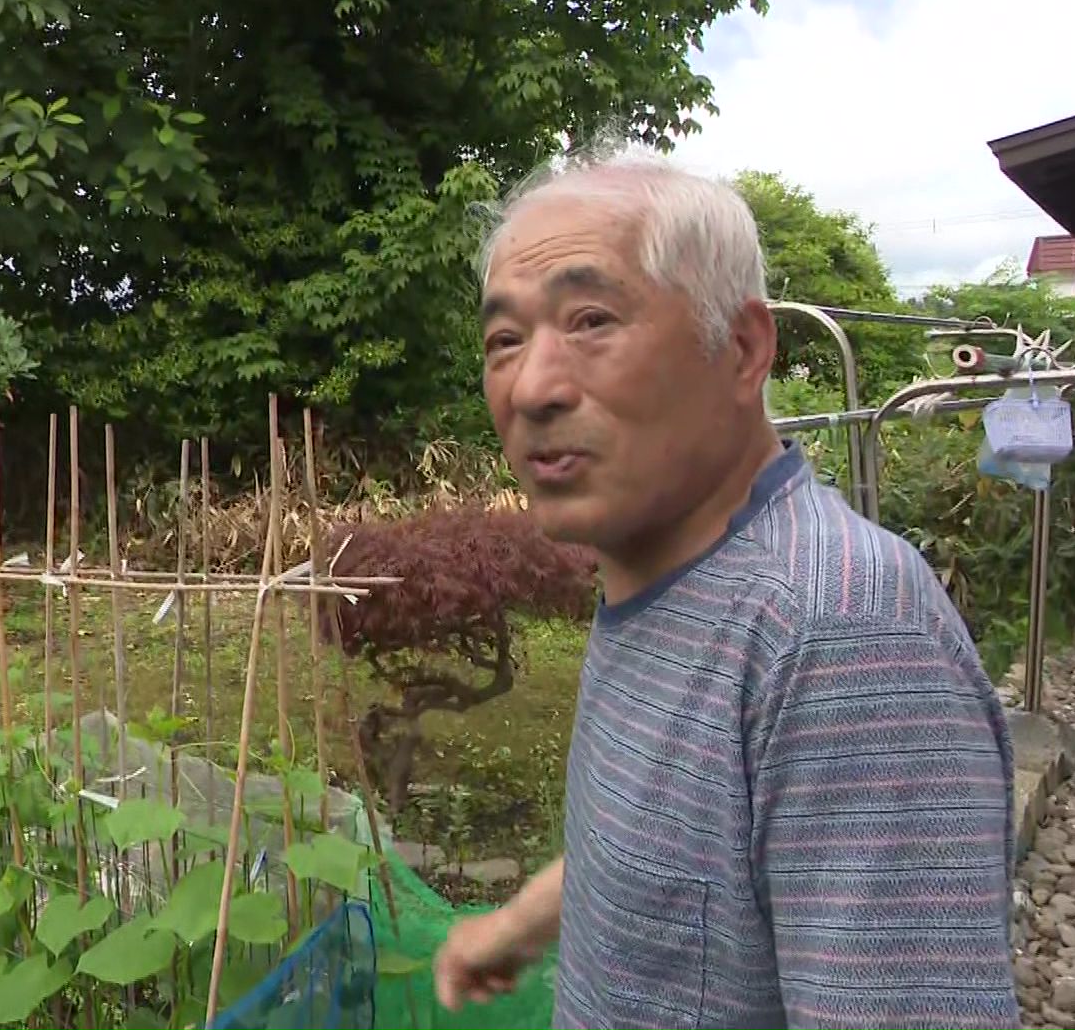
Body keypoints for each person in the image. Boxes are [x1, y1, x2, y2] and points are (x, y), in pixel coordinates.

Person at [432, 136, 1020, 1030]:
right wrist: (517, 925)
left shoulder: (839, 632)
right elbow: (680, 860)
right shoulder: (662, 575)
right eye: (505, 340)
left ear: (742, 349)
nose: (532, 386)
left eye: (591, 320)